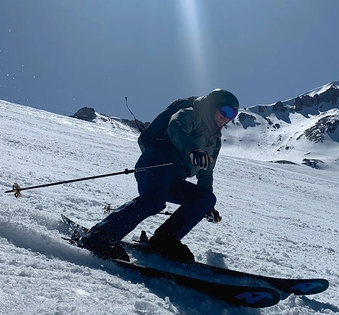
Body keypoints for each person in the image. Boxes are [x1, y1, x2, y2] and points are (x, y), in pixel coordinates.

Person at [79, 89, 239, 263]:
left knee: (205, 198)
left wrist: (207, 209)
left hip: (176, 178)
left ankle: (165, 240)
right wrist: (192, 149)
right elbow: (175, 127)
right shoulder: (192, 114)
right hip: (156, 163)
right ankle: (101, 235)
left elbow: (206, 173)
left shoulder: (214, 141)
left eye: (233, 114)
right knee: (154, 200)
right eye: (225, 110)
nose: (227, 117)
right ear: (213, 106)